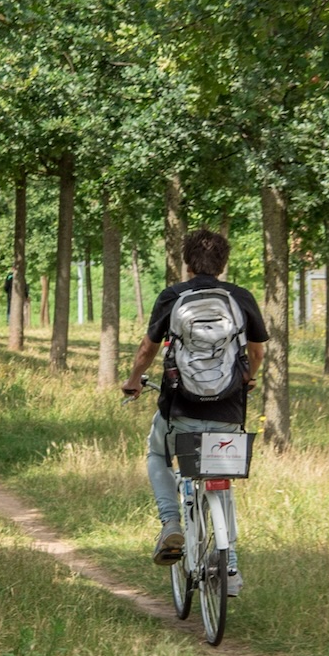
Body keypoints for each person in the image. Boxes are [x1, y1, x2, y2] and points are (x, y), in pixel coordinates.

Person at [121, 227, 269, 593]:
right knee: (224, 474)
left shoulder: (173, 296)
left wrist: (134, 380)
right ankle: (229, 563)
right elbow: (257, 352)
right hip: (230, 410)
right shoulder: (241, 297)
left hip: (180, 408)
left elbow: (147, 350)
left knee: (157, 453)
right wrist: (248, 378)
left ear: (186, 262)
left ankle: (171, 522)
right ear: (223, 262)